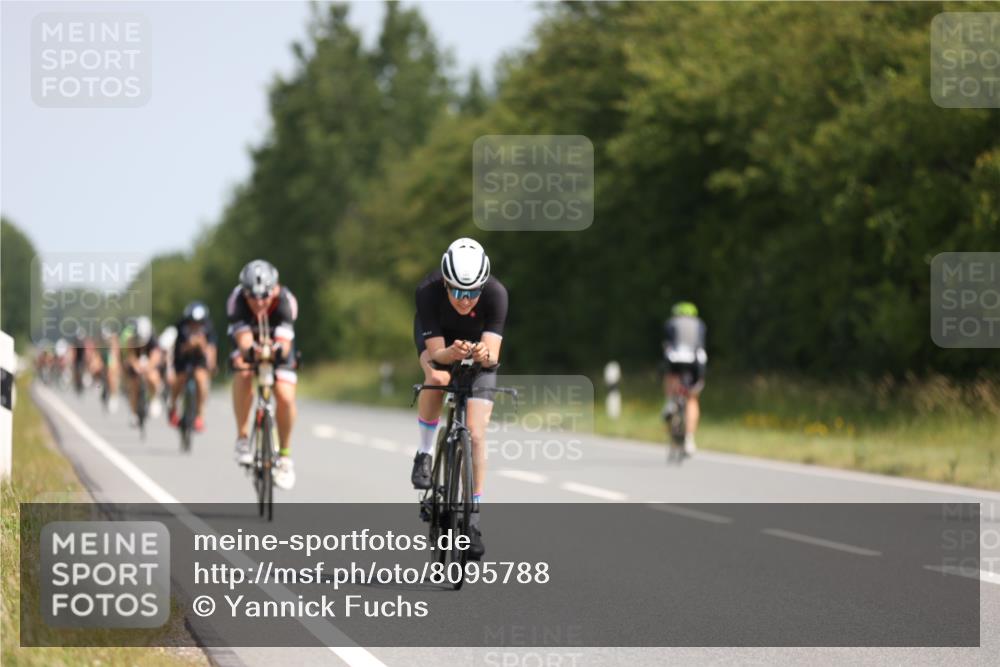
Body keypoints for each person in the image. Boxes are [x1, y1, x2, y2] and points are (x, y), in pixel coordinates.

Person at [411, 237, 507, 559]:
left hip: (477, 351)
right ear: (445, 283)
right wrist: (450, 353)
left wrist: (482, 354)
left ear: (483, 285)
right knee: (438, 378)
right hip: (440, 343)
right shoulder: (428, 291)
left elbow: (493, 356)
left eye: (472, 293)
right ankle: (424, 452)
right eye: (457, 292)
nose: (465, 300)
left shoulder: (496, 294)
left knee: (477, 434)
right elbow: (437, 354)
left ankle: (473, 519)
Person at [227, 260, 299, 490]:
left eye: (265, 296)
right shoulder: (237, 301)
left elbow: (284, 345)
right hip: (249, 339)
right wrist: (252, 352)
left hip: (277, 341)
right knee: (243, 371)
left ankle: (285, 457)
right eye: (252, 297)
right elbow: (244, 342)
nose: (259, 302)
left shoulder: (286, 301)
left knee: (285, 396)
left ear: (275, 289)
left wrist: (275, 351)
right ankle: (242, 438)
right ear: (244, 292)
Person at [661, 301, 707, 455]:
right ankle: (689, 439)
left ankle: (670, 402)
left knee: (670, 376)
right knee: (692, 398)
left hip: (675, 358)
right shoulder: (700, 324)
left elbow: (667, 345)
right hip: (695, 361)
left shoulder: (671, 322)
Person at [168, 301, 218, 432]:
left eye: (198, 323)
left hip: (199, 359)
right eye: (192, 322)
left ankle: (200, 416)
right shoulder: (181, 326)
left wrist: (210, 362)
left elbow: (211, 349)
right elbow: (178, 349)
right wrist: (189, 345)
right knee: (179, 379)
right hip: (183, 359)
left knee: (201, 380)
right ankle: (172, 407)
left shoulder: (208, 328)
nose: (195, 325)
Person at [120, 316, 164, 421]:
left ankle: (154, 399)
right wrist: (136, 365)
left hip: (149, 362)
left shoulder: (153, 339)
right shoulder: (132, 339)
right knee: (134, 385)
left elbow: (156, 355)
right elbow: (130, 355)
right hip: (137, 361)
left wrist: (148, 367)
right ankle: (133, 412)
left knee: (153, 378)